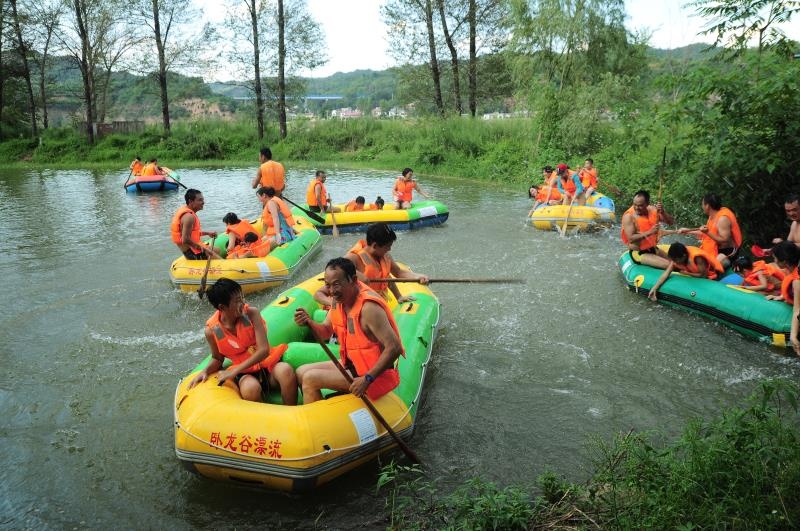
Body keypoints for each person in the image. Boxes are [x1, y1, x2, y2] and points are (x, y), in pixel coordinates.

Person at [293, 258, 405, 404]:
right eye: (328, 286)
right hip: (352, 364)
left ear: (353, 280)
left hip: (373, 375)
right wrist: (309, 322)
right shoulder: (337, 301)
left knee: (310, 378)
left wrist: (367, 378)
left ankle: (316, 424)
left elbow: (394, 347)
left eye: (337, 284)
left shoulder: (369, 308)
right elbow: (326, 331)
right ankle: (326, 413)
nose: (332, 291)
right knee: (301, 371)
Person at [188, 278, 297, 404]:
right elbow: (217, 358)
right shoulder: (211, 331)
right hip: (245, 374)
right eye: (237, 301)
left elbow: (264, 350)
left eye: (242, 297)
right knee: (250, 389)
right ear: (222, 307)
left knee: (285, 370)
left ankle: (291, 412)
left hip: (268, 367)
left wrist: (235, 370)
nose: (243, 303)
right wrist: (205, 371)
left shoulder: (252, 314)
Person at [679, 193, 742, 269]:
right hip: (716, 248)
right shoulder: (712, 216)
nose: (702, 207)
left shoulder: (723, 219)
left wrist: (707, 232)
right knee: (697, 261)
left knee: (713, 265)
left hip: (729, 251)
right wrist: (688, 231)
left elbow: (724, 240)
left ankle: (725, 267)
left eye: (702, 204)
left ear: (707, 206)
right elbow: (705, 234)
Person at [648, 242, 725, 301]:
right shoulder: (676, 259)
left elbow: (703, 276)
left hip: (710, 276)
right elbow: (666, 274)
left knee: (723, 262)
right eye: (673, 260)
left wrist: (687, 273)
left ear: (684, 256)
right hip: (696, 274)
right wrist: (655, 288)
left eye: (676, 260)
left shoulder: (698, 258)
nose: (675, 263)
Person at [621, 189, 676, 269]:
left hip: (653, 248)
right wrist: (650, 232)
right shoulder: (629, 216)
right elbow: (631, 238)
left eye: (640, 205)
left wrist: (663, 212)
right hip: (639, 253)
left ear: (647, 204)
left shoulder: (653, 210)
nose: (636, 208)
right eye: (634, 204)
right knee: (669, 266)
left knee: (676, 264)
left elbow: (671, 222)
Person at [765, 242, 800, 355]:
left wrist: (793, 336)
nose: (774, 261)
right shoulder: (794, 270)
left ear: (784, 262)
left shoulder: (797, 281)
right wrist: (781, 296)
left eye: (775, 258)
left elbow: (797, 310)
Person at [170, 189, 221, 260]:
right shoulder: (188, 217)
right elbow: (185, 239)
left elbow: (192, 233)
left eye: (203, 200)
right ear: (191, 201)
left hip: (194, 248)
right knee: (221, 261)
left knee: (218, 250)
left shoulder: (187, 212)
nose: (203, 202)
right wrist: (203, 249)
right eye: (200, 200)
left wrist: (207, 233)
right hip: (193, 253)